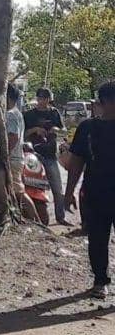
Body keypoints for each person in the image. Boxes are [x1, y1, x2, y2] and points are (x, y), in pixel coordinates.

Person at [63, 81, 115, 299]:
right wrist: (68, 193)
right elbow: (77, 162)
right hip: (96, 193)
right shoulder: (88, 128)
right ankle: (100, 281)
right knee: (97, 240)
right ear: (105, 102)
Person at [24, 88, 70, 225]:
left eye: (46, 98)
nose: (43, 101)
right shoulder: (29, 115)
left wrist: (56, 130)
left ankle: (60, 217)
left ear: (49, 99)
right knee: (33, 187)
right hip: (33, 156)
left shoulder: (54, 113)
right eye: (40, 98)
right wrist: (35, 130)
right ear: (37, 98)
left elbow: (64, 132)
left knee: (57, 187)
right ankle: (33, 217)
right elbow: (22, 134)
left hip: (50, 155)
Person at [5, 84, 44, 223]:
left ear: (7, 97)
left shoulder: (10, 115)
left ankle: (37, 221)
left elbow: (13, 137)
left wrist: (4, 155)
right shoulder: (17, 113)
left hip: (13, 158)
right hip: (17, 157)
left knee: (19, 192)